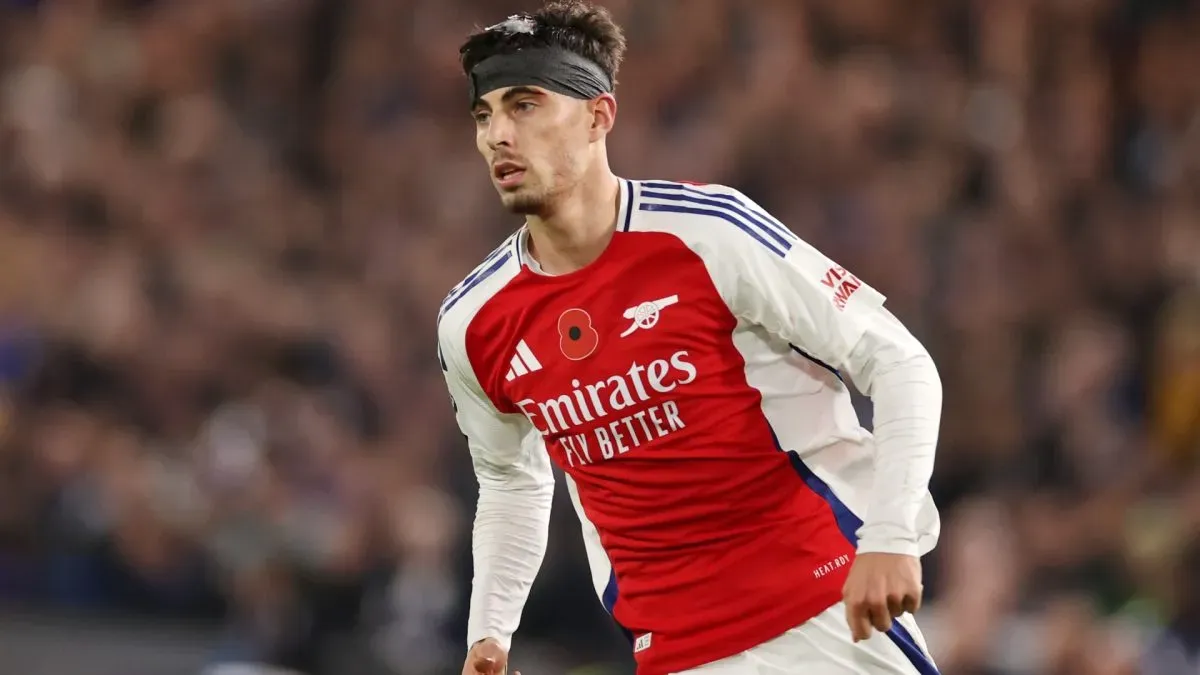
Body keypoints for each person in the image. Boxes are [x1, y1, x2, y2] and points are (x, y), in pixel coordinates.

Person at [435, 2, 944, 674]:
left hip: (824, 611)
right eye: (484, 114)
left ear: (599, 115)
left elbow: (899, 360)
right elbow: (509, 479)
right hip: (678, 652)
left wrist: (890, 533)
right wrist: (490, 633)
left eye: (524, 105)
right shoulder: (474, 321)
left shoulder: (709, 232)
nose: (498, 134)